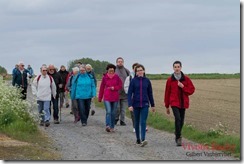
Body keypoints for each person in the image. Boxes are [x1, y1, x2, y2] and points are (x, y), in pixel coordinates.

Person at [164, 61, 195, 146]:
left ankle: (177, 132)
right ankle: (178, 137)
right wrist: (167, 106)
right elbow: (167, 93)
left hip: (183, 103)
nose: (177, 68)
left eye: (178, 67)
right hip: (174, 102)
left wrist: (183, 87)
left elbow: (192, 90)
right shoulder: (170, 80)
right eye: (175, 67)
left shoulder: (186, 79)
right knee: (177, 118)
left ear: (181, 67)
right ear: (173, 68)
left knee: (181, 120)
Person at [127, 64, 155, 147]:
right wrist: (130, 105)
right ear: (136, 72)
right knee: (136, 121)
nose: (139, 72)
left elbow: (150, 93)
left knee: (143, 121)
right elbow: (129, 94)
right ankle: (138, 139)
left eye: (141, 70)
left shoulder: (147, 81)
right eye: (138, 70)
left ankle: (143, 139)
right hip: (135, 104)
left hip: (145, 104)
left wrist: (153, 105)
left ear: (144, 71)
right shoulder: (133, 81)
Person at [98, 64, 122, 132]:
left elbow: (120, 85)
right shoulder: (104, 77)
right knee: (108, 111)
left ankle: (112, 127)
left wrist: (114, 88)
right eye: (110, 70)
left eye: (112, 70)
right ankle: (107, 125)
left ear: (114, 70)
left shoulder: (117, 77)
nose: (111, 71)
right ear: (107, 70)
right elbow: (102, 87)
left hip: (115, 97)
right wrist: (100, 97)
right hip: (107, 96)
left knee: (113, 112)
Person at [124, 63, 139, 132]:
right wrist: (130, 93)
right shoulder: (129, 78)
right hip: (133, 97)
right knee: (133, 113)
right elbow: (126, 87)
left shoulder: (143, 77)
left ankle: (142, 126)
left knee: (141, 112)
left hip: (141, 97)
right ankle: (135, 127)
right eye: (135, 68)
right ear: (133, 69)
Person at [115, 57, 130, 126]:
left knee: (123, 109)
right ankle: (116, 118)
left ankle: (122, 120)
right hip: (116, 93)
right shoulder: (114, 70)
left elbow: (130, 80)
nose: (120, 62)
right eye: (119, 61)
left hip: (124, 93)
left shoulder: (126, 71)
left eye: (121, 61)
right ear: (116, 62)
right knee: (117, 108)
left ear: (123, 62)